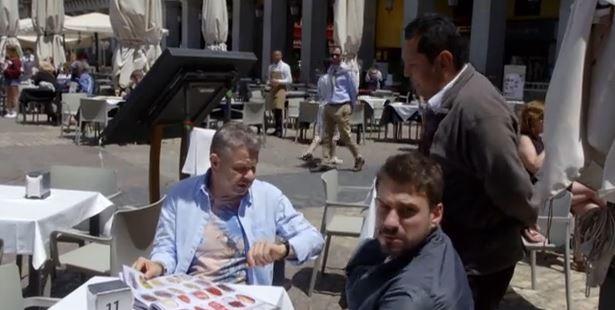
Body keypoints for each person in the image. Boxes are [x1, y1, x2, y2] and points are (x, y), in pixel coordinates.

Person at [403, 14, 538, 309]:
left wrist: (528, 218)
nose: (406, 73)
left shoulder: (478, 110)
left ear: (443, 61)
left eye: (412, 65)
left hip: (477, 261)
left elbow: (510, 185)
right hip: (456, 253)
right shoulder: (448, 100)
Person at [133, 122, 324, 284]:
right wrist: (157, 265)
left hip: (247, 299)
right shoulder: (180, 196)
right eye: (240, 169)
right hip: (191, 295)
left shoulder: (268, 197)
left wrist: (283, 250)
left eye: (253, 168)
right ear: (215, 163)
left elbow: (314, 239)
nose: (249, 176)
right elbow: (166, 248)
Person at [345, 152, 473, 309]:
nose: (389, 222)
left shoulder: (408, 300)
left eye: (407, 210)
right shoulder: (433, 240)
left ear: (435, 214)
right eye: (384, 206)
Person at [312, 47, 365, 172]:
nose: (334, 57)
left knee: (345, 135)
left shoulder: (347, 71)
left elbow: (353, 89)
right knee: (326, 135)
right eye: (332, 55)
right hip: (330, 104)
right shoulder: (331, 70)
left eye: (337, 55)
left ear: (342, 56)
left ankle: (358, 157)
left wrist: (351, 104)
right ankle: (326, 160)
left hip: (342, 105)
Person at [266, 50, 292, 138]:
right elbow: (269, 78)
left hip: (281, 89)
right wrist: (268, 83)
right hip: (273, 89)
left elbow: (289, 80)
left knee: (278, 109)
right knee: (273, 109)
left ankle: (280, 130)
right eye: (274, 55)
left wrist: (279, 81)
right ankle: (276, 128)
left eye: (278, 55)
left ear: (281, 56)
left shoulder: (285, 66)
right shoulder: (271, 67)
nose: (276, 57)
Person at [2, 45, 22, 118]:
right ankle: (9, 111)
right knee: (8, 96)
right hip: (8, 79)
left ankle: (15, 111)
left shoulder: (16, 60)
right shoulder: (9, 60)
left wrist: (7, 70)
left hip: (14, 79)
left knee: (14, 96)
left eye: (8, 51)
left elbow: (17, 71)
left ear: (12, 51)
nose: (7, 52)